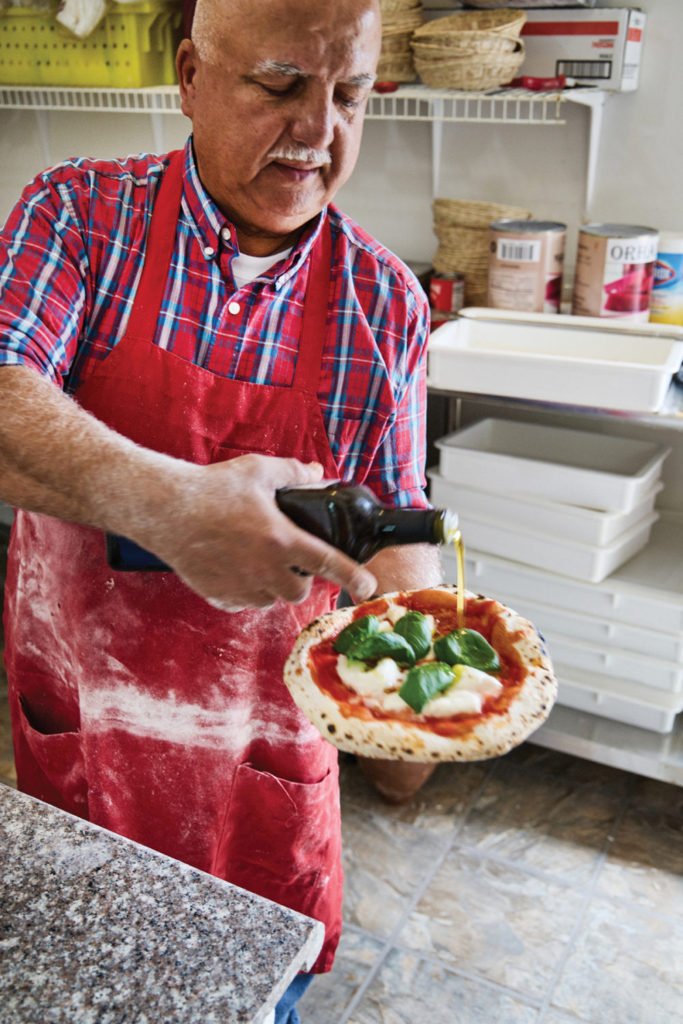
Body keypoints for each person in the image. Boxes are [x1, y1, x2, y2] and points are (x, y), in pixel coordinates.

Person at [0, 0, 442, 1018]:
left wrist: (428, 674)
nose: (319, 132)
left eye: (352, 94)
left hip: (259, 770)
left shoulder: (382, 306)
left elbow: (391, 525)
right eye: (280, 86)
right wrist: (173, 505)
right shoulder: (78, 217)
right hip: (88, 740)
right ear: (191, 77)